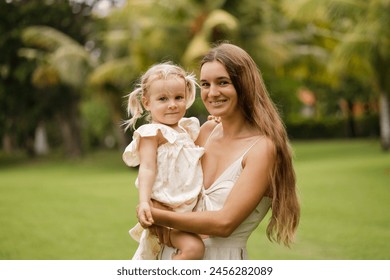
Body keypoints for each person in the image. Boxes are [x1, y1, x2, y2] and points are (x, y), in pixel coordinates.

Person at [148, 43, 300, 260]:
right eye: (205, 84)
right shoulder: (207, 131)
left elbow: (224, 224)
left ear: (244, 85)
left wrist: (155, 216)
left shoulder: (262, 149)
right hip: (173, 256)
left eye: (223, 82)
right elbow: (171, 180)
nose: (212, 93)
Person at [122, 62, 205, 260]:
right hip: (165, 210)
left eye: (178, 97)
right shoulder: (152, 133)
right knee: (194, 249)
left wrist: (219, 121)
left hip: (187, 210)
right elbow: (147, 168)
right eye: (163, 99)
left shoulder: (187, 129)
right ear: (147, 102)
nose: (172, 104)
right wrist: (144, 202)